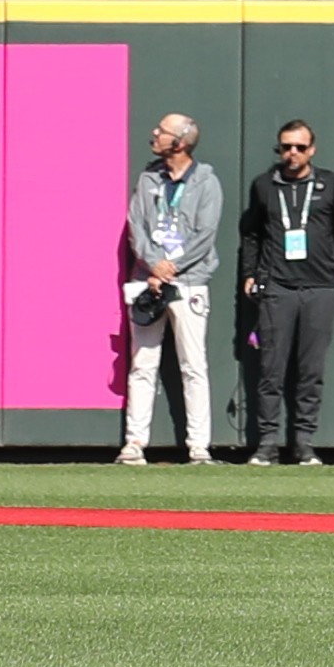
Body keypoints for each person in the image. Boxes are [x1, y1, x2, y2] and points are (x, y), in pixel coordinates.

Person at [233, 113, 334, 465]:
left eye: (300, 147)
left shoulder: (331, 185)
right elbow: (252, 234)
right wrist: (251, 274)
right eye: (286, 147)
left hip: (319, 289)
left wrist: (330, 276)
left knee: (310, 371)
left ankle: (303, 442)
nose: (292, 153)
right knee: (271, 369)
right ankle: (267, 443)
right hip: (278, 289)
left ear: (311, 150)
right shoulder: (264, 186)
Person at [120, 106, 228, 465]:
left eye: (162, 131)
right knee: (142, 363)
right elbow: (136, 225)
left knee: (193, 365)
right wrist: (154, 265)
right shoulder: (148, 179)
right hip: (146, 280)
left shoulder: (206, 182)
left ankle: (199, 446)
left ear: (179, 143)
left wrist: (173, 267)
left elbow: (205, 233)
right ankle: (135, 443)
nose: (155, 133)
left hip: (189, 283)